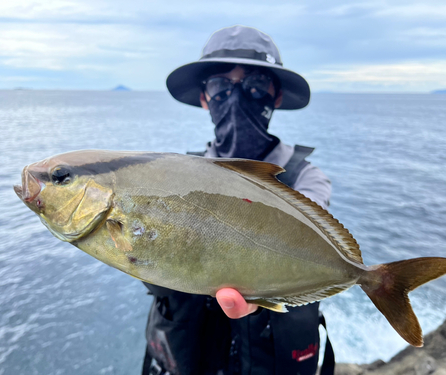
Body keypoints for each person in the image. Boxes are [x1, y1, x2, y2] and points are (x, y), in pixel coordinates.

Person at [141, 25, 334, 375]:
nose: (236, 97)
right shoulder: (174, 180)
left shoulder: (305, 178)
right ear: (204, 98)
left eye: (255, 85)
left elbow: (306, 234)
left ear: (274, 96)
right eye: (219, 86)